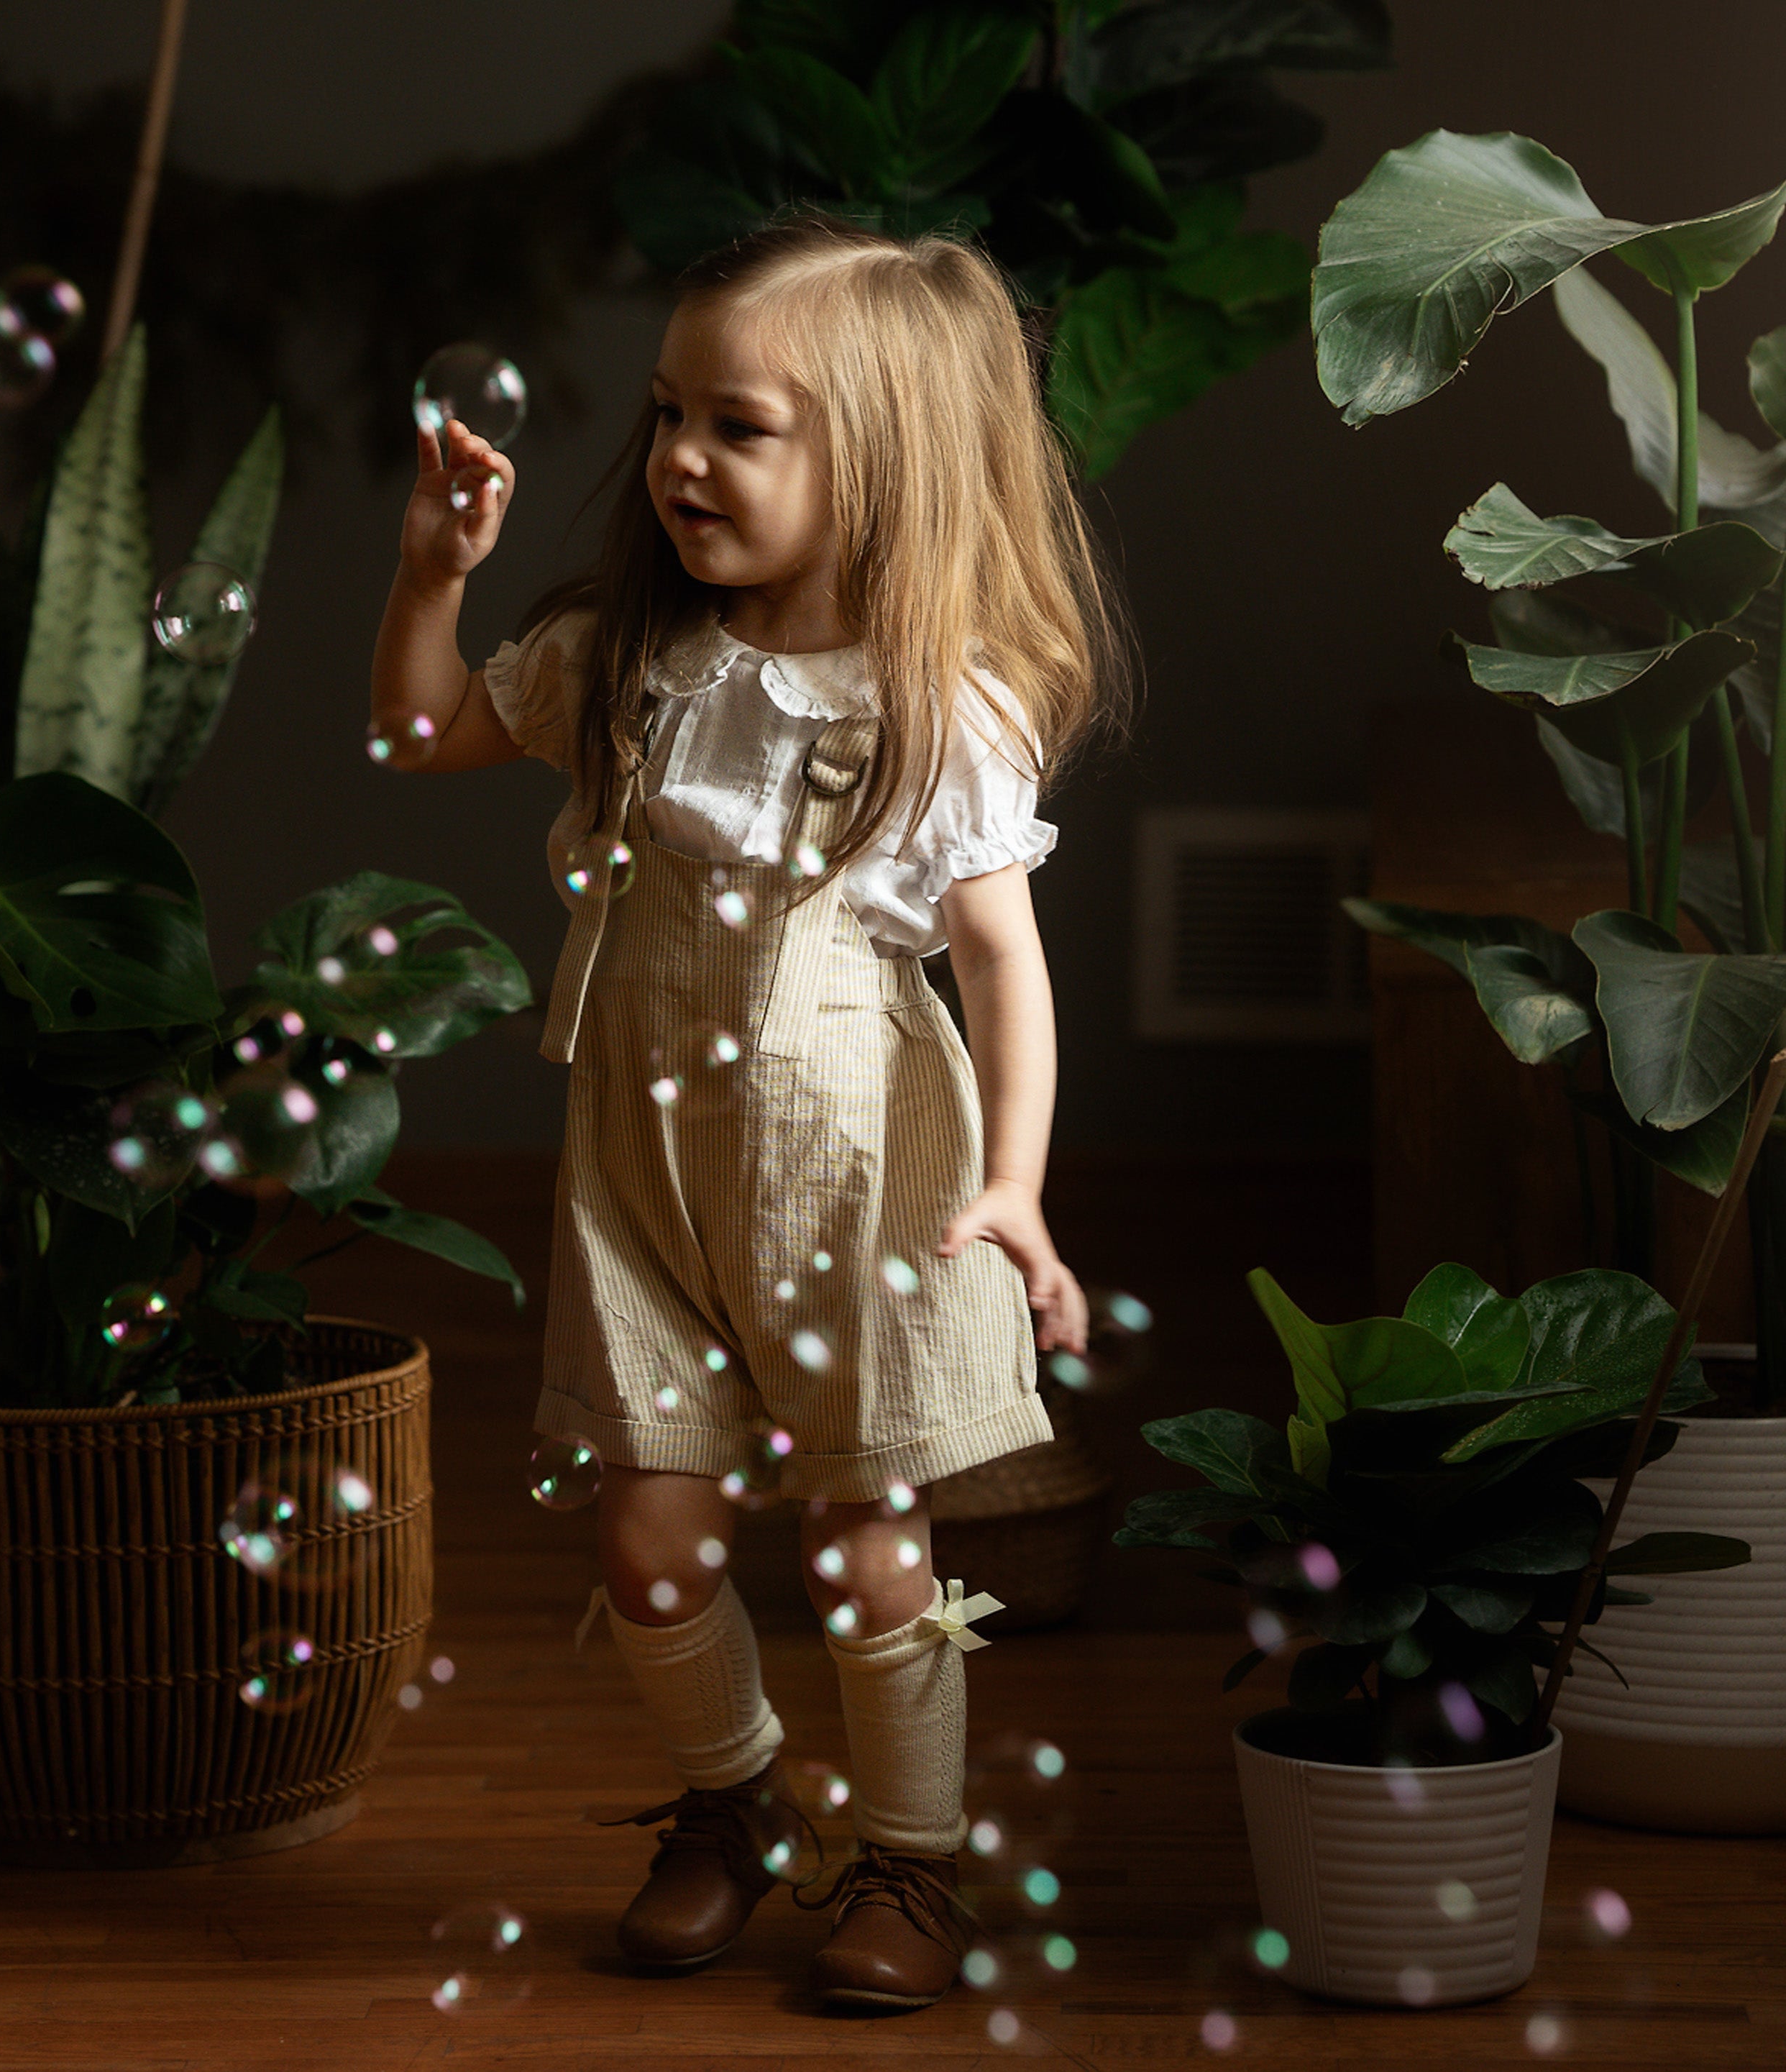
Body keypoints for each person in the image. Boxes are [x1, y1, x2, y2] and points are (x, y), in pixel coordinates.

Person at [370, 214, 1132, 2013]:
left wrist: (1016, 1188)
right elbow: (423, 740)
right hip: (643, 1176)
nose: (677, 462)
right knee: (646, 1544)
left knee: (871, 1556)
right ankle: (731, 1806)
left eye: (738, 425)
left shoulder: (936, 709)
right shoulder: (635, 657)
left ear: (877, 468)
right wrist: (427, 576)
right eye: (664, 416)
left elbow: (1003, 968)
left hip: (854, 1188)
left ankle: (915, 1862)